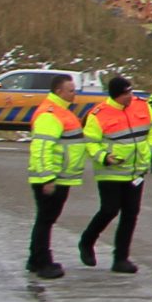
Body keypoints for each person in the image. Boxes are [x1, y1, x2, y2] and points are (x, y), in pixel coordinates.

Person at [76, 74, 152, 273]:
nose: (129, 97)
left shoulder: (142, 106)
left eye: (130, 92)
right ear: (115, 96)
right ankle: (87, 241)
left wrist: (151, 149)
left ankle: (121, 258)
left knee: (131, 213)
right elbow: (90, 142)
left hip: (136, 172)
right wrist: (104, 157)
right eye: (125, 94)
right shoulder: (98, 114)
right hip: (110, 172)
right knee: (109, 209)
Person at [24, 73, 87, 278]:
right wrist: (47, 178)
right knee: (45, 220)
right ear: (59, 91)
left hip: (59, 176)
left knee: (46, 219)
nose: (74, 93)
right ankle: (43, 262)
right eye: (71, 90)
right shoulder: (50, 114)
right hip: (52, 178)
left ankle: (36, 259)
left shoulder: (61, 111)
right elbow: (42, 148)